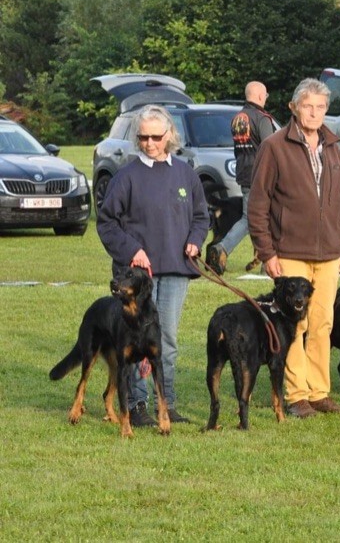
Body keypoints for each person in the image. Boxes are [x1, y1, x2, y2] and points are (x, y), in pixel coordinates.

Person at [96, 104, 209, 426]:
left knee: (166, 340)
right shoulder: (126, 176)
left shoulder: (185, 173)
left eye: (155, 137)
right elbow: (106, 222)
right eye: (143, 137)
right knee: (133, 341)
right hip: (137, 277)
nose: (149, 143)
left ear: (169, 135)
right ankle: (137, 405)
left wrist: (195, 240)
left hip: (175, 270)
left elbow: (201, 216)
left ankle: (166, 404)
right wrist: (132, 250)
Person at [248, 78, 340, 418]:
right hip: (289, 252)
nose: (314, 112)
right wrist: (267, 252)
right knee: (295, 326)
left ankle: (319, 392)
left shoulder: (334, 147)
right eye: (308, 105)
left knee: (322, 323)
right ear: (295, 107)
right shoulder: (275, 146)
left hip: (329, 255)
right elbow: (258, 204)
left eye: (321, 106)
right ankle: (296, 396)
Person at [206, 81, 277, 274]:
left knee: (253, 217)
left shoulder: (238, 118)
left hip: (243, 172)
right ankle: (226, 248)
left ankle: (261, 262)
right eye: (266, 95)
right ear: (261, 96)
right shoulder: (262, 118)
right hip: (261, 174)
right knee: (260, 218)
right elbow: (270, 148)